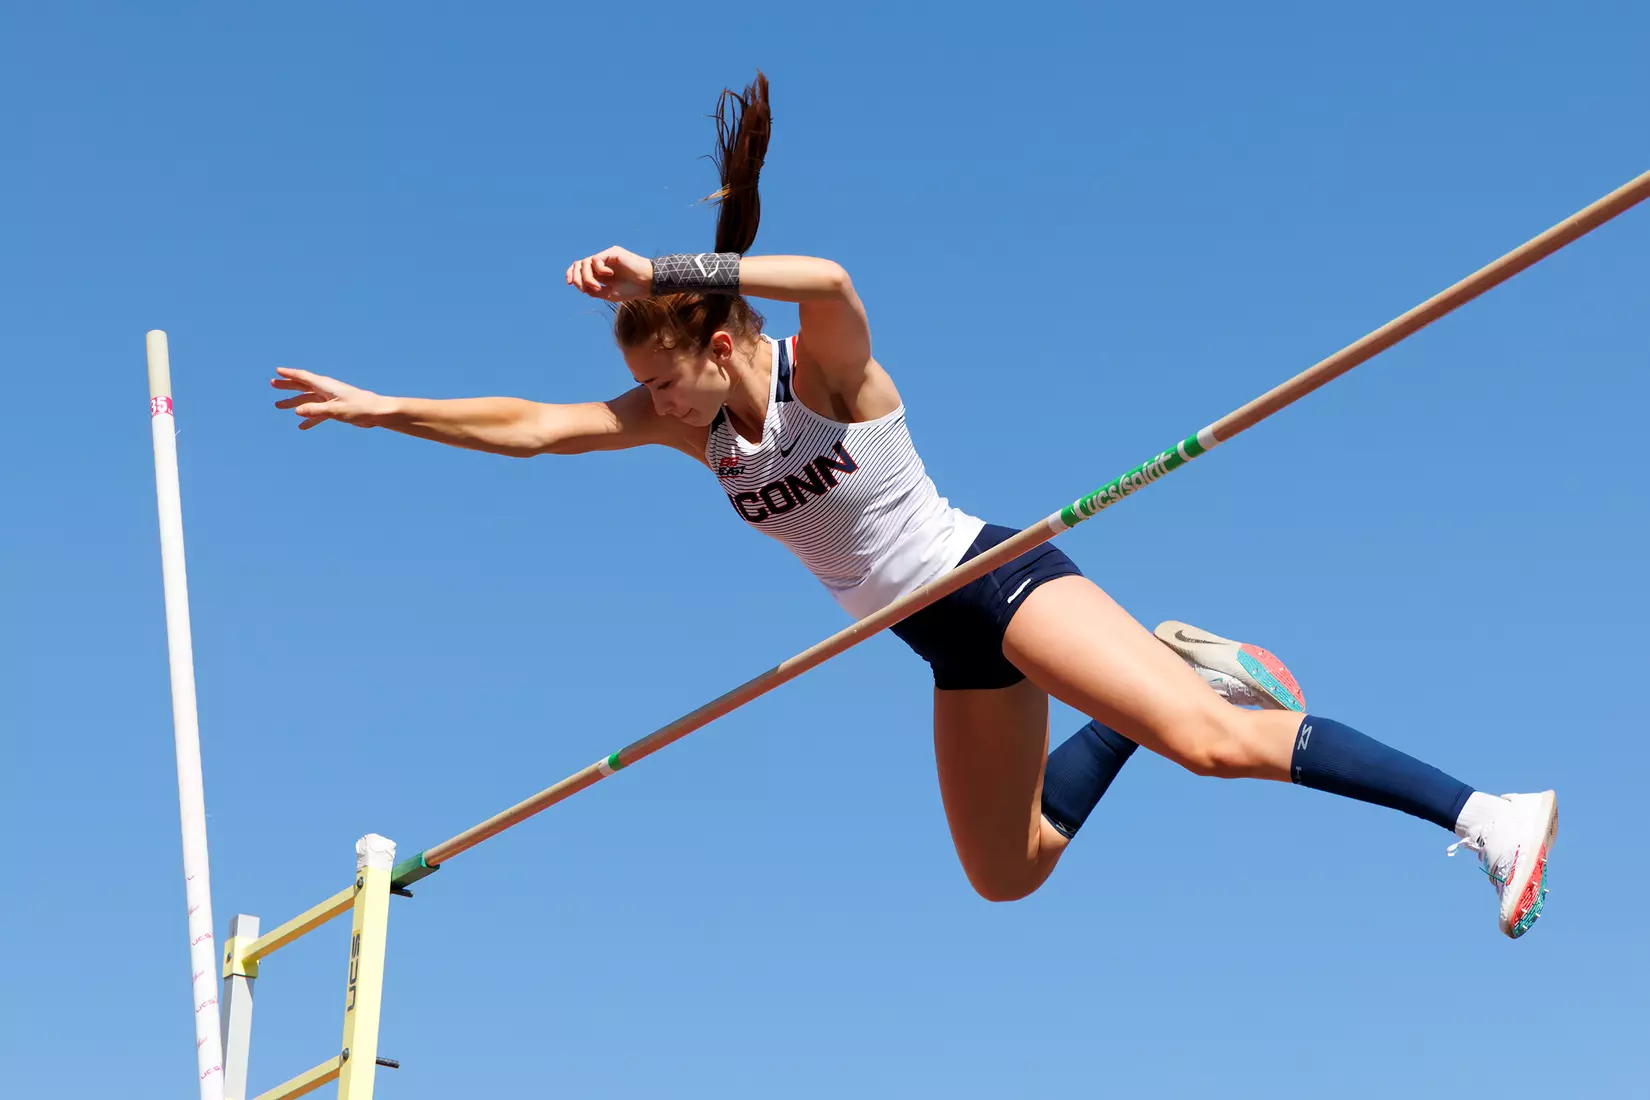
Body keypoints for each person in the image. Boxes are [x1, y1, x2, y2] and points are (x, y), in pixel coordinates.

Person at [271, 72, 1556, 938]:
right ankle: (1176, 656)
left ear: (719, 337)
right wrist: (386, 406)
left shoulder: (823, 371)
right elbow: (535, 430)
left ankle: (1487, 810)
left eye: (663, 377)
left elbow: (827, 275)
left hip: (993, 579)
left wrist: (669, 260)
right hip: (940, 641)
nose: (651, 405)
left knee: (1210, 746)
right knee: (1008, 872)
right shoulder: (697, 431)